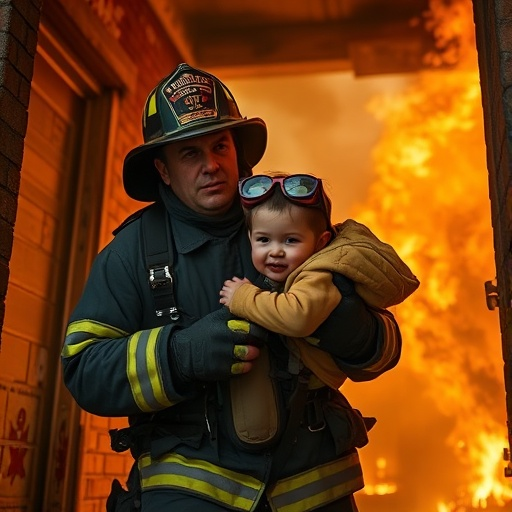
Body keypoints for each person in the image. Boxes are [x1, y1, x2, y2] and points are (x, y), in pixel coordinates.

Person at [61, 62, 413, 512]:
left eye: (219, 145)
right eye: (189, 154)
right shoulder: (132, 253)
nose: (210, 165)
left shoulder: (298, 223)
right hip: (191, 494)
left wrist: (353, 330)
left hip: (315, 491)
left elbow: (387, 348)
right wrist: (179, 356)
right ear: (163, 171)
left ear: (237, 150)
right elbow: (83, 368)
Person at [219, 172, 419, 390]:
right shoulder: (297, 269)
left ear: (320, 242)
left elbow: (297, 317)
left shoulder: (317, 274)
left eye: (290, 240)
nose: (275, 251)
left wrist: (243, 297)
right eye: (264, 240)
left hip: (311, 394)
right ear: (250, 239)